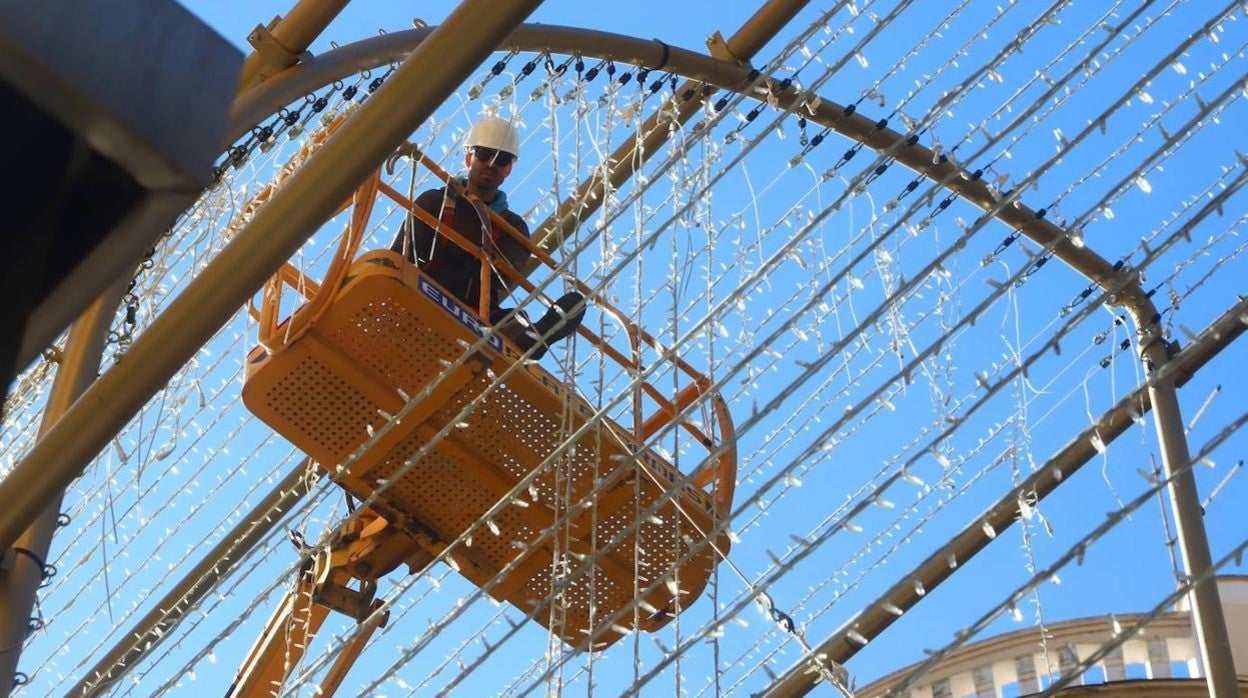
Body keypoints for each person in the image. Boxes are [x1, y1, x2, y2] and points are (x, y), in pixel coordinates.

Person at [390, 116, 584, 359]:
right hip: (420, 293)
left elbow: (499, 280)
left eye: (501, 159)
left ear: (508, 169)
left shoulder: (512, 227)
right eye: (484, 154)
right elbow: (400, 254)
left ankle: (530, 338)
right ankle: (520, 336)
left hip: (472, 313)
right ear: (469, 157)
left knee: (514, 320)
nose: (491, 163)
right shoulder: (435, 201)